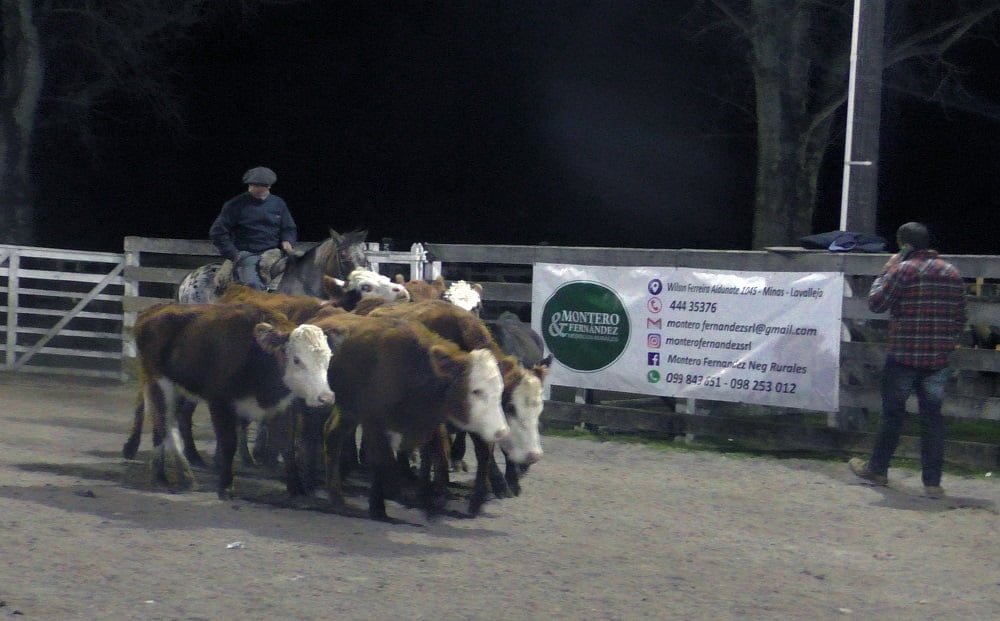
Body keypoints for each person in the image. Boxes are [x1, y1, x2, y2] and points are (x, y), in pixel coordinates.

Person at [848, 222, 967, 498]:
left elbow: (877, 302)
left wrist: (886, 270)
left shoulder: (903, 270)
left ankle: (878, 469)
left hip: (903, 355)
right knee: (932, 419)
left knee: (892, 415)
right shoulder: (951, 272)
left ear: (905, 245)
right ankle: (933, 482)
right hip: (937, 358)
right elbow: (961, 317)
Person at [209, 166, 297, 290]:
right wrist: (233, 253)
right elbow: (217, 231)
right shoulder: (235, 205)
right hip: (247, 253)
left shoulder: (278, 203)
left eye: (262, 186)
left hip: (274, 252)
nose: (257, 189)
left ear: (269, 186)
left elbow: (288, 227)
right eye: (254, 185)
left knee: (299, 270)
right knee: (252, 284)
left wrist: (287, 240)